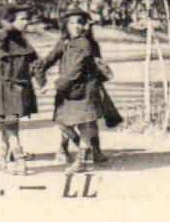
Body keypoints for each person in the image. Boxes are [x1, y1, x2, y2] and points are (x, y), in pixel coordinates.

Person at [36, 9, 122, 171]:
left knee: (85, 123)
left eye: (80, 22)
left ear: (85, 25)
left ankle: (82, 160)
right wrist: (39, 74)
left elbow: (76, 69)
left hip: (85, 89)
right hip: (69, 89)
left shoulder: (85, 43)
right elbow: (48, 59)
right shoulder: (65, 41)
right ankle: (91, 151)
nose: (76, 26)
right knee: (62, 121)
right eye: (72, 23)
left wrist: (52, 84)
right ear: (66, 25)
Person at [0, 4, 38, 173]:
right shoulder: (22, 42)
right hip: (17, 90)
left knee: (7, 129)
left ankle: (20, 164)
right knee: (10, 127)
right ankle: (3, 161)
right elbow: (35, 65)